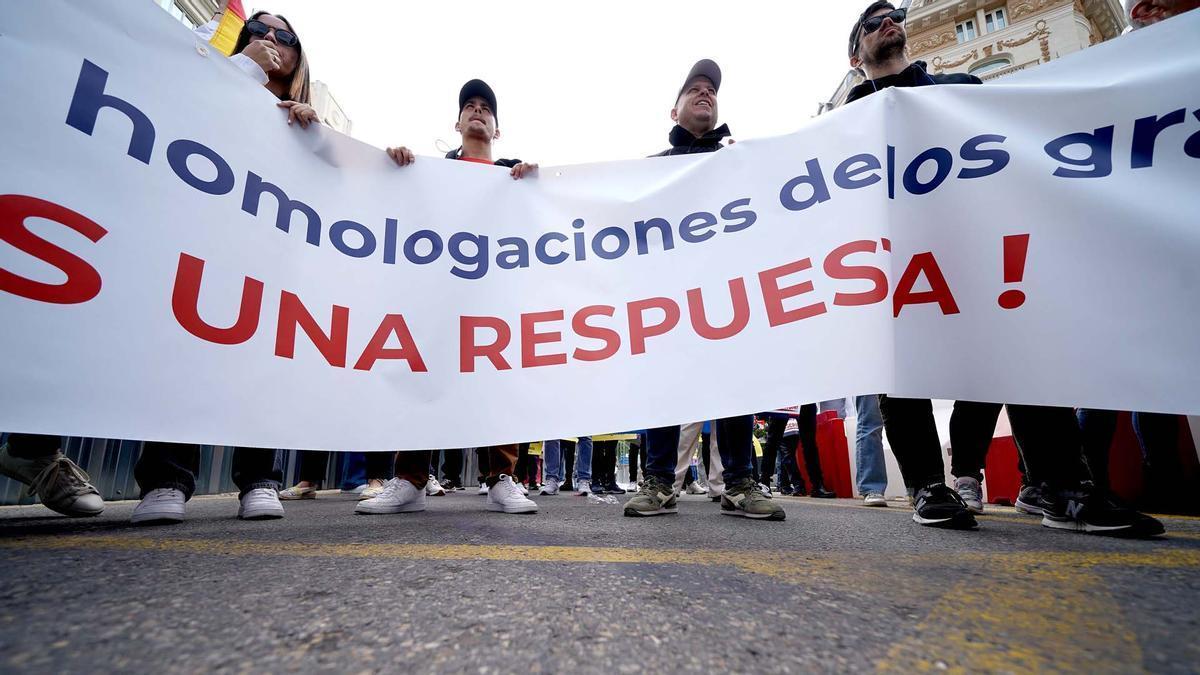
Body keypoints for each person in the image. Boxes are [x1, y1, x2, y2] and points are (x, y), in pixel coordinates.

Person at [846, 2, 1163, 537]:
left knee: (1020, 349)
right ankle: (929, 485)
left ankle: (1062, 485)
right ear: (855, 53)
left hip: (977, 249)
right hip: (895, 262)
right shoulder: (842, 123)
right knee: (899, 366)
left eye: (895, 14)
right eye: (874, 21)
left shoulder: (964, 88)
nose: (890, 22)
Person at [126, 7, 318, 524]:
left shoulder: (305, 122)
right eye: (259, 29)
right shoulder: (211, 77)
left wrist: (312, 137)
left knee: (263, 358)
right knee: (186, 347)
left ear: (301, 56)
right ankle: (167, 479)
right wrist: (246, 70)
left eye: (285, 35)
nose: (271, 38)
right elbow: (186, 110)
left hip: (270, 255)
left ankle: (259, 479)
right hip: (206, 239)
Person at [357, 79, 539, 516]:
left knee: (499, 380)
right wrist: (397, 168)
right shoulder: (428, 174)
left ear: (497, 130)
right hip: (439, 297)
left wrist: (535, 183)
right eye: (469, 106)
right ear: (456, 123)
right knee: (423, 373)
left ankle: (502, 478)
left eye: (486, 108)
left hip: (494, 297)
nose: (477, 111)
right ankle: (411, 479)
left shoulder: (513, 176)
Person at [623, 59, 783, 521]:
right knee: (664, 383)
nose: (705, 93)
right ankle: (658, 481)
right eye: (693, 88)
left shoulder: (739, 161)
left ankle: (739, 483)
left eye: (711, 89)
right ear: (673, 112)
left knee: (733, 382)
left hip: (726, 295)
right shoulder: (648, 171)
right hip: (669, 299)